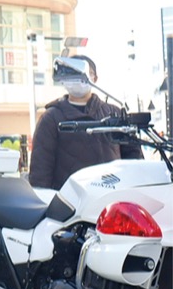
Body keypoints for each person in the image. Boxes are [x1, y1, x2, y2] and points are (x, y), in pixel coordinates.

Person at [29, 55, 143, 190]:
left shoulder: (115, 113)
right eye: (72, 73)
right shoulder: (51, 118)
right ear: (63, 79)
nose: (78, 78)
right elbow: (41, 170)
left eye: (86, 73)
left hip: (112, 200)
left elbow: (135, 161)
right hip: (69, 203)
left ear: (95, 78)